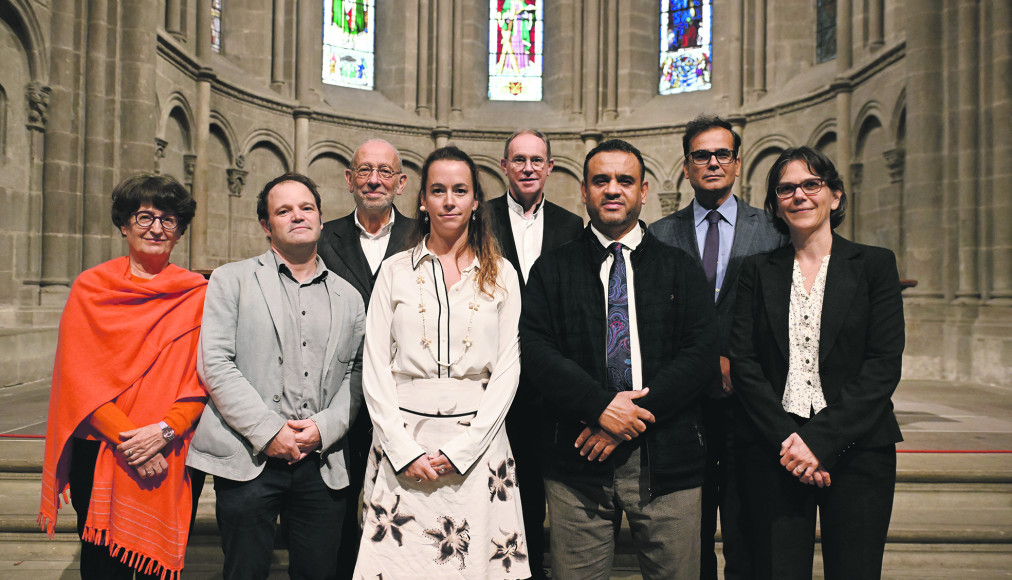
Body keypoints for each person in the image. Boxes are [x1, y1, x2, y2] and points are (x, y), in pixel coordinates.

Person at [520, 139, 718, 580]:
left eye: (625, 180)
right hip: (577, 460)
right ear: (584, 191)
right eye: (601, 181)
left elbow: (701, 353)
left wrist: (627, 416)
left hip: (667, 459)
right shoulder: (551, 269)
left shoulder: (680, 267)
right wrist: (599, 407)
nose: (613, 189)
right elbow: (537, 351)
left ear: (644, 191)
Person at [729, 147, 905, 579]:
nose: (799, 196)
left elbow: (883, 364)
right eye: (786, 189)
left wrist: (819, 442)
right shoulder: (756, 270)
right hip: (778, 449)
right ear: (775, 205)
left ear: (835, 195)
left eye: (811, 184)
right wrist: (790, 441)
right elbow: (745, 362)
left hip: (859, 447)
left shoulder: (874, 265)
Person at [354, 146, 528, 579]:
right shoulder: (394, 271)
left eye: (460, 190)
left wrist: (463, 450)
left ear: (476, 201)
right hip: (403, 443)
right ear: (422, 200)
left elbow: (508, 369)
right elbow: (374, 366)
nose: (449, 201)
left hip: (479, 446)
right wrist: (401, 450)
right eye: (438, 190)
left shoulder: (502, 274)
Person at [186, 173, 366, 579]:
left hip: (321, 461)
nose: (298, 216)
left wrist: (324, 428)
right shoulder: (231, 280)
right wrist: (268, 431)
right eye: (284, 211)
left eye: (306, 208)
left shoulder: (350, 297)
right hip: (248, 457)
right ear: (266, 225)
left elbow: (356, 373)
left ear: (320, 218)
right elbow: (215, 363)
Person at [39, 174, 208, 579]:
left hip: (171, 448)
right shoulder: (91, 288)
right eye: (144, 216)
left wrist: (164, 432)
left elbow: (203, 378)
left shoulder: (197, 294)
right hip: (102, 446)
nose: (156, 228)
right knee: (102, 570)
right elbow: (78, 379)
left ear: (180, 231)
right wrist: (134, 442)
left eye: (168, 219)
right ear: (124, 224)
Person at [650, 114, 785, 580]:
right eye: (701, 155)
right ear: (686, 166)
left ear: (737, 163)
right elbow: (656, 323)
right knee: (690, 531)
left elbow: (778, 317)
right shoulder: (659, 235)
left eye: (722, 154)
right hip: (683, 406)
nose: (712, 163)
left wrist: (736, 363)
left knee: (748, 528)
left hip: (751, 401)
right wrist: (703, 365)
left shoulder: (772, 230)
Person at [317, 139, 415, 578]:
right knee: (340, 512)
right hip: (341, 396)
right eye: (364, 170)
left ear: (401, 182)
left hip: (405, 396)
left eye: (384, 172)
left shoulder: (423, 236)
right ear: (349, 179)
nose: (374, 180)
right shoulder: (322, 237)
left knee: (404, 512)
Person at [489, 128, 583, 579]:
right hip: (495, 373)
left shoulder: (570, 225)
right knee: (504, 483)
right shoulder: (481, 218)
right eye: (519, 160)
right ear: (504, 166)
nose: (528, 168)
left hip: (552, 378)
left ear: (550, 167)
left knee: (553, 483)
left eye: (536, 160)